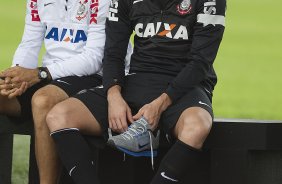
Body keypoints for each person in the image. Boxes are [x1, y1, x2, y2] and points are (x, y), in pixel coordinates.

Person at [46, 0, 226, 183]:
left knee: (197, 126)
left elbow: (201, 62)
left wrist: (161, 103)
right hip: (138, 79)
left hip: (186, 86)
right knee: (59, 116)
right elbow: (113, 53)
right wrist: (114, 95)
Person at [0, 0, 131, 183]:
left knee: (43, 100)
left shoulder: (102, 1)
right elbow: (29, 44)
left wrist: (41, 73)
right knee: (3, 93)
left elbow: (95, 57)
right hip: (51, 73)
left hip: (96, 74)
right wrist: (17, 74)